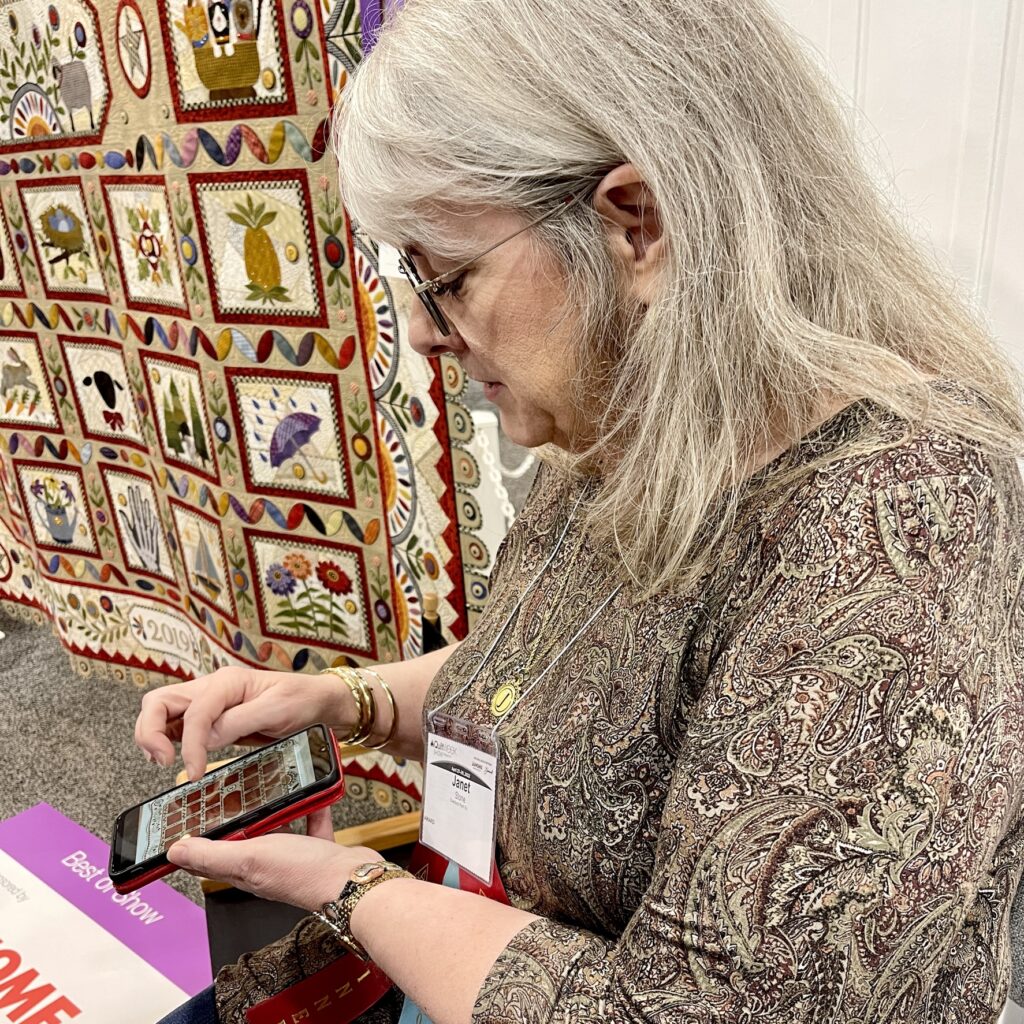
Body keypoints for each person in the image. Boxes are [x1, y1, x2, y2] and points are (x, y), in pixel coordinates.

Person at [144, 1, 1024, 1021]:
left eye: (449, 279)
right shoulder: (627, 413)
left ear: (633, 222)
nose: (425, 340)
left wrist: (353, 889)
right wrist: (350, 699)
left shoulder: (905, 526)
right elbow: (543, 679)